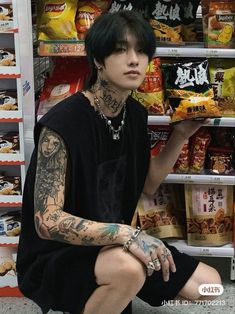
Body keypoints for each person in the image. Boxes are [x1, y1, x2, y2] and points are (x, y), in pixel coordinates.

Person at [16, 10, 221, 314]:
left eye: (141, 51)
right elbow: (47, 222)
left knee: (210, 286)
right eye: (121, 49)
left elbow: (149, 184)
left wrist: (180, 136)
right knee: (130, 270)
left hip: (115, 246)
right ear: (98, 59)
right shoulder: (61, 125)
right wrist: (128, 235)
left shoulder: (134, 115)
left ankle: (113, 292)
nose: (134, 59)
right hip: (59, 256)